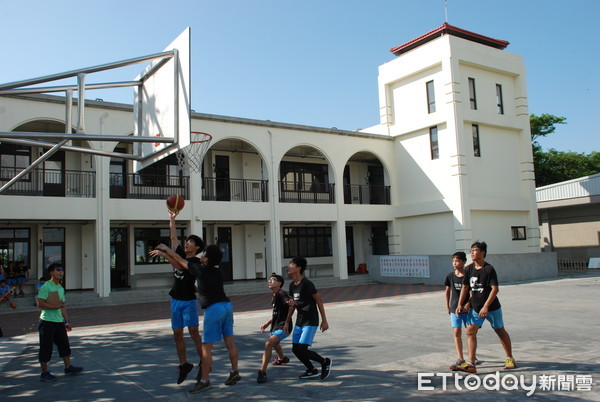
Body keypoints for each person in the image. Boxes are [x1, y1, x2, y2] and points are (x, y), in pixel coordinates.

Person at [150, 244, 240, 393]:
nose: (201, 256)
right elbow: (206, 285)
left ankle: (205, 381)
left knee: (206, 348)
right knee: (229, 342)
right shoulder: (218, 272)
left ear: (206, 258)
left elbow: (180, 259)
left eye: (203, 255)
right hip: (227, 306)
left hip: (214, 309)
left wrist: (166, 250)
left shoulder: (200, 269)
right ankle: (234, 371)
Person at [455, 241, 516, 374]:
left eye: (475, 250)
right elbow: (465, 287)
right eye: (471, 250)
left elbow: (495, 289)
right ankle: (471, 363)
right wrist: (461, 304)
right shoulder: (468, 269)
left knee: (499, 330)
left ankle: (509, 358)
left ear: (482, 253)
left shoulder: (489, 269)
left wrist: (486, 306)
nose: (472, 253)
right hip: (475, 308)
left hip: (492, 307)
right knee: (470, 332)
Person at [167, 208, 204, 385]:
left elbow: (180, 266)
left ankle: (204, 361)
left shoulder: (195, 261)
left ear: (196, 248)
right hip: (175, 300)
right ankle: (184, 364)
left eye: (191, 242)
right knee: (177, 334)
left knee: (194, 333)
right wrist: (172, 219)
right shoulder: (180, 254)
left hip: (188, 301)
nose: (187, 243)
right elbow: (173, 238)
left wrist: (165, 253)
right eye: (187, 241)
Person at [283, 257, 332, 380]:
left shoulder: (307, 284)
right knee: (295, 349)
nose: (289, 266)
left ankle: (324, 361)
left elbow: (319, 301)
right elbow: (293, 305)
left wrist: (324, 320)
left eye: (292, 264)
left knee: (302, 348)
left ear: (298, 268)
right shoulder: (292, 286)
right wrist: (287, 321)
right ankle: (311, 369)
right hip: (300, 320)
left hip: (310, 320)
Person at [36, 263, 83, 382]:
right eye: (58, 270)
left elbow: (62, 306)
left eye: (62, 270)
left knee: (64, 345)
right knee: (46, 347)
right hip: (46, 321)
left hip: (58, 322)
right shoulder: (46, 286)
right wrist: (54, 306)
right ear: (51, 273)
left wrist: (66, 321)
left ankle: (68, 368)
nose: (61, 272)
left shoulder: (61, 288)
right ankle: (44, 373)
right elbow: (40, 304)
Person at [444, 251, 478, 370]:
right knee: (456, 332)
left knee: (470, 332)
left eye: (457, 260)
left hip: (467, 310)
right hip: (455, 309)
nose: (455, 263)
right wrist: (448, 306)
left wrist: (468, 304)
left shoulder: (468, 276)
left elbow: (472, 293)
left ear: (464, 262)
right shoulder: (450, 276)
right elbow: (448, 291)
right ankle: (460, 358)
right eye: (453, 260)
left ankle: (472, 357)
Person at [257, 273, 293, 383]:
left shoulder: (282, 294)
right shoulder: (275, 295)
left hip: (283, 327)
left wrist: (286, 322)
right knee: (275, 343)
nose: (270, 281)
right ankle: (282, 358)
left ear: (279, 283)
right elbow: (276, 313)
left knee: (269, 344)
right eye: (269, 280)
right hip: (276, 325)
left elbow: (292, 306)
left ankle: (262, 372)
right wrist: (267, 323)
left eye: (273, 280)